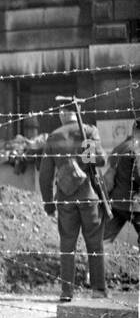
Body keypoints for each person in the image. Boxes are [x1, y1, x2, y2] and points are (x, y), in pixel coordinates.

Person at [38, 105, 107, 302]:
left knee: (67, 245)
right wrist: (88, 149)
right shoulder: (89, 131)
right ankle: (98, 290)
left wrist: (48, 202)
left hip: (65, 198)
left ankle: (66, 292)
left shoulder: (54, 136)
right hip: (89, 196)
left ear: (61, 115)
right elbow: (100, 160)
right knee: (94, 243)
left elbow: (45, 175)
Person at [102, 118, 140, 244]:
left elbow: (109, 175)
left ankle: (95, 262)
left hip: (116, 203)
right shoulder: (136, 150)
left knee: (105, 238)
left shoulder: (119, 148)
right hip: (135, 205)